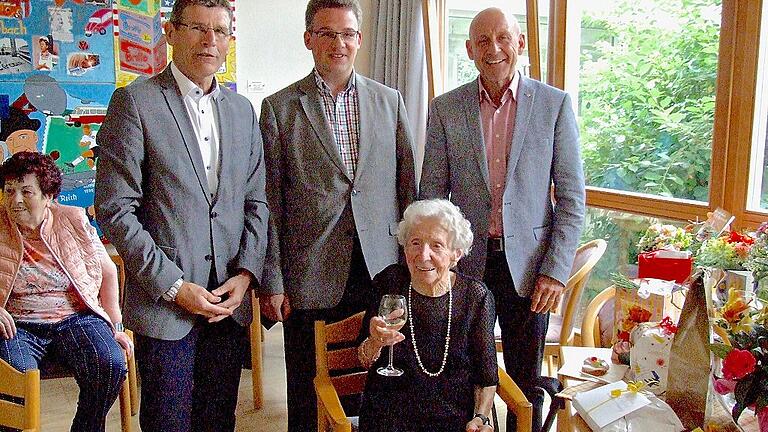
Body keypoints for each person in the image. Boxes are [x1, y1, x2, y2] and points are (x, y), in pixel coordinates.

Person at [94, 0, 269, 430]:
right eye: (197, 28)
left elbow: (256, 203)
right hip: (166, 307)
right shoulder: (134, 103)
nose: (209, 41)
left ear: (229, 40)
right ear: (170, 33)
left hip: (228, 305)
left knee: (217, 419)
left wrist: (246, 275)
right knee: (168, 421)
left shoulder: (243, 111)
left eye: (220, 31)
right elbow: (116, 210)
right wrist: (173, 286)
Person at [419, 7, 586, 432]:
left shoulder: (554, 105)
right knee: (457, 369)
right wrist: (437, 260)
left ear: (520, 44)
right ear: (470, 50)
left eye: (503, 38)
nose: (493, 49)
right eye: (482, 42)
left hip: (531, 269)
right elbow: (432, 199)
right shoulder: (445, 108)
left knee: (524, 378)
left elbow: (571, 200)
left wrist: (555, 271)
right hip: (465, 266)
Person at [258, 0, 416, 430]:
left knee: (380, 382)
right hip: (310, 270)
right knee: (309, 391)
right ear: (308, 38)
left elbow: (408, 189)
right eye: (326, 33)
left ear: (359, 40)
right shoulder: (279, 108)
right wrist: (272, 281)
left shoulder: (390, 100)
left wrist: (410, 266)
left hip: (380, 268)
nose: (338, 43)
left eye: (347, 33)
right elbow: (269, 202)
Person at [0, 151, 131, 432]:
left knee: (110, 363)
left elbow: (109, 272)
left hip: (75, 317)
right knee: (13, 380)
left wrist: (115, 325)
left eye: (26, 191)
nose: (16, 200)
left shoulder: (73, 219)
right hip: (18, 324)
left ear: (49, 196)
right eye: (9, 191)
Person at [356, 199, 497, 432]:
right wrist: (375, 342)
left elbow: (487, 376)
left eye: (437, 246)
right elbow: (363, 359)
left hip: (454, 420)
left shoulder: (475, 297)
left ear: (456, 254)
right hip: (389, 418)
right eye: (415, 243)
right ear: (405, 248)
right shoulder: (389, 283)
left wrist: (481, 418)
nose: (423, 255)